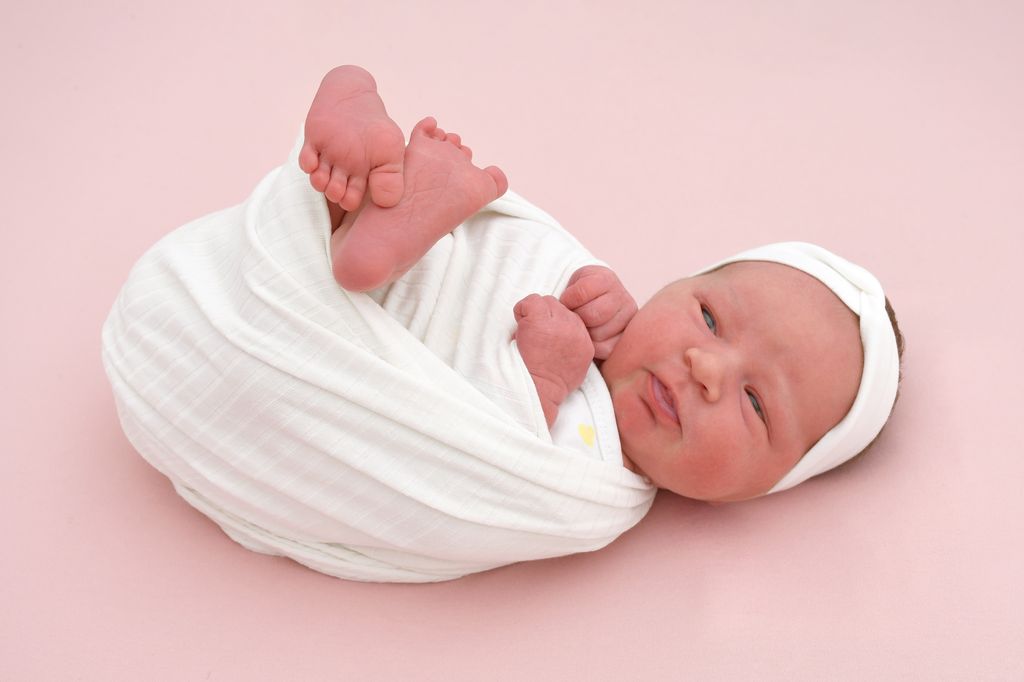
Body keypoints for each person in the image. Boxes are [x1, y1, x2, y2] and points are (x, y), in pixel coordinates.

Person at [301, 65, 905, 503]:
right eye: (709, 318)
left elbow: (480, 476)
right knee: (417, 259)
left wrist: (542, 381)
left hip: (355, 362)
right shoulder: (608, 323)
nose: (706, 368)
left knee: (354, 313)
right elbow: (511, 273)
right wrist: (597, 306)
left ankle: (374, 219)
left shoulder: (595, 488)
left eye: (755, 402)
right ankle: (378, 191)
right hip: (409, 285)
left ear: (770, 486)